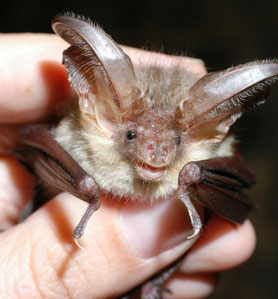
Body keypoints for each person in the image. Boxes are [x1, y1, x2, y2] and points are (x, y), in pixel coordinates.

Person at [0, 33, 256, 298]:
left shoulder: (200, 160)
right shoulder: (86, 137)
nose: (157, 154)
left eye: (175, 141)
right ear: (104, 118)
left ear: (204, 133)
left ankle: (152, 281)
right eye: (133, 135)